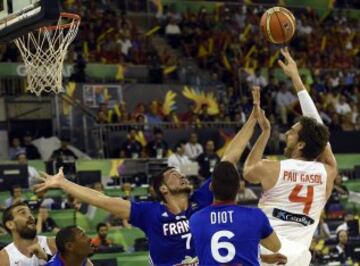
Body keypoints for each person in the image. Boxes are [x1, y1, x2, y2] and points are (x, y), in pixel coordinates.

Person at [35, 88, 284, 265]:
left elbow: (229, 159)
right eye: (174, 175)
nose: (182, 177)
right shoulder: (149, 213)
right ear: (163, 189)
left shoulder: (202, 199)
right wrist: (63, 182)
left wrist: (252, 121)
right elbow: (101, 200)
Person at [243, 48, 338, 266]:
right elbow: (320, 131)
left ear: (302, 144)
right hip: (298, 258)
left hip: (267, 254)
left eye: (293, 132)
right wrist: (297, 80)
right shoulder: (327, 172)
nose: (287, 133)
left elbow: (248, 170)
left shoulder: (274, 168)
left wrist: (264, 132)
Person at [189, 88, 286, 265]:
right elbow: (275, 245)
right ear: (238, 188)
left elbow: (229, 158)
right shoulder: (255, 217)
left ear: (211, 187)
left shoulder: (195, 219)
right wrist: (260, 124)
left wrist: (253, 118)